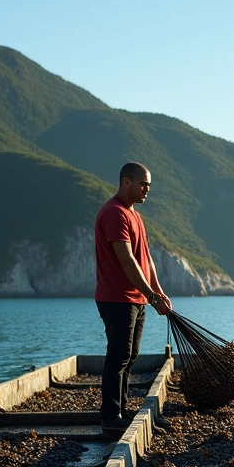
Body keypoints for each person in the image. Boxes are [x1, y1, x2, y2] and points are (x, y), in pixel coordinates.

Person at [95, 162, 172, 434]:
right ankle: (110, 417)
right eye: (143, 184)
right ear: (126, 181)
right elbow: (127, 261)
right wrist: (152, 297)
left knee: (130, 355)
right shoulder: (114, 214)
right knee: (118, 355)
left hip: (136, 298)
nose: (147, 190)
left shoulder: (134, 215)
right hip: (116, 297)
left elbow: (145, 259)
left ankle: (121, 410)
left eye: (149, 185)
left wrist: (157, 291)